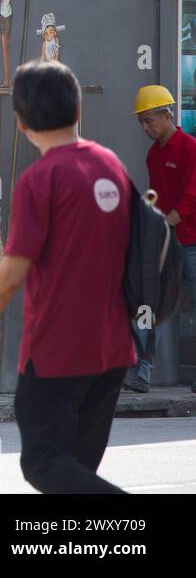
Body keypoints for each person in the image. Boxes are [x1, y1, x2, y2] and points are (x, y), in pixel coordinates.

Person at [0, 60, 135, 493]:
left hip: (58, 353)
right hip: (113, 352)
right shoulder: (112, 167)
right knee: (75, 474)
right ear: (77, 110)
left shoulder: (41, 179)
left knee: (43, 464)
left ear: (21, 123)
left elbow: (7, 278)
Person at [129, 85, 196, 394]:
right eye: (141, 122)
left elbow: (191, 197)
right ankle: (143, 371)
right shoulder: (153, 155)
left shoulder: (190, 149)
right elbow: (156, 196)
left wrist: (167, 222)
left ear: (168, 115)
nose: (145, 127)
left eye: (150, 120)